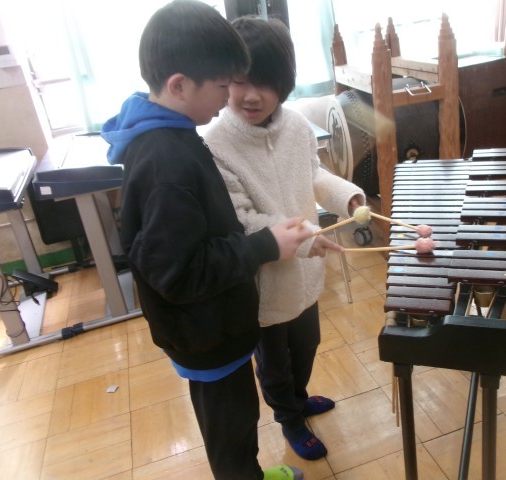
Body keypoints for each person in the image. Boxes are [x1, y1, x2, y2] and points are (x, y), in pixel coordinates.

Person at [101, 2, 340, 478]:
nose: (230, 96)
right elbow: (179, 271)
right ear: (179, 85)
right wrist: (264, 245)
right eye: (223, 84)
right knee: (231, 431)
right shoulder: (167, 162)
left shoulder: (176, 136)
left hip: (219, 323)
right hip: (205, 333)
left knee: (238, 423)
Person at [204, 16, 366, 461]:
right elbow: (242, 219)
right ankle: (289, 417)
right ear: (225, 80)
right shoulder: (216, 144)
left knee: (307, 346)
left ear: (284, 83)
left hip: (306, 274)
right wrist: (308, 236)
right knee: (274, 363)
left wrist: (348, 198)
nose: (251, 95)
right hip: (265, 283)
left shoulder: (296, 127)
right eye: (239, 82)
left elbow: (313, 174)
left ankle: (299, 397)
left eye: (265, 83)